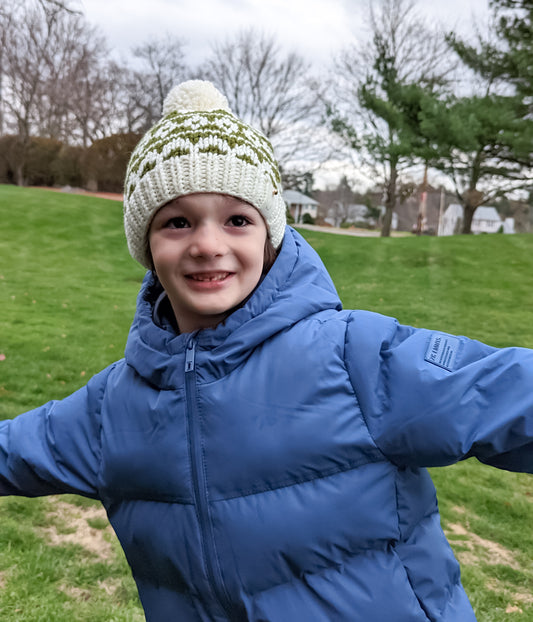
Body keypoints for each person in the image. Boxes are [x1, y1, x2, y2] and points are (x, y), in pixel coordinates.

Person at [1, 79, 532, 622]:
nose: (208, 244)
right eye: (177, 221)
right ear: (146, 244)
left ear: (269, 235)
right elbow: (14, 450)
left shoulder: (354, 358)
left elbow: (504, 391)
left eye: (237, 219)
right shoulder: (113, 407)